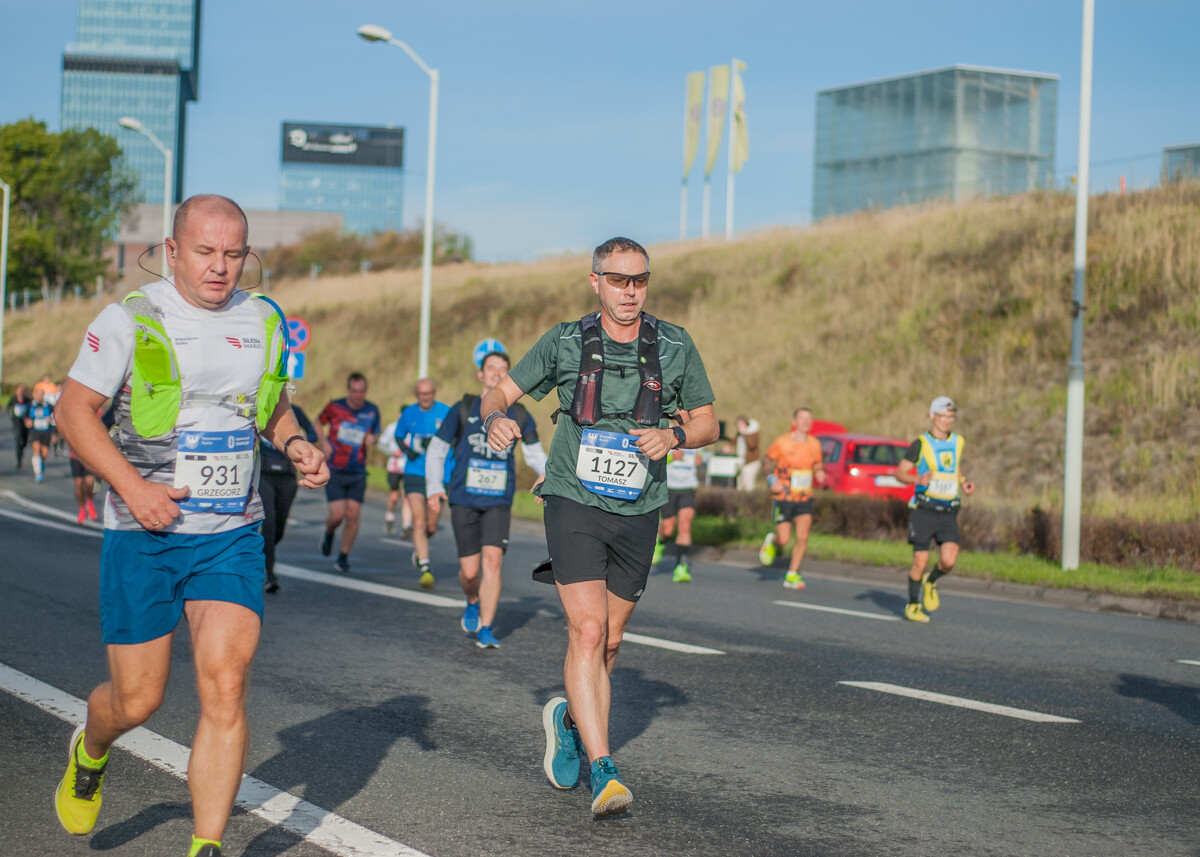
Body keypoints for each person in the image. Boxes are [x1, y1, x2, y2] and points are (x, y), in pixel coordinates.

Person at [52, 194, 328, 857]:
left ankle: (206, 845)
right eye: (205, 252)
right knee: (137, 699)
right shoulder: (130, 319)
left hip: (231, 530)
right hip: (143, 531)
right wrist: (132, 487)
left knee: (226, 682)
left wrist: (293, 443)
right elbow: (74, 412)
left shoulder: (263, 319)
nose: (220, 267)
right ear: (172, 250)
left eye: (234, 254)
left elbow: (274, 406)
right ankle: (90, 748)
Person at [480, 236, 717, 819]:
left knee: (609, 641)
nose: (629, 291)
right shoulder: (565, 341)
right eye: (617, 280)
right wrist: (496, 421)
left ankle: (567, 716)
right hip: (573, 498)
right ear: (595, 281)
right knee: (586, 633)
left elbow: (710, 421)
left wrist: (675, 436)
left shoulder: (675, 345)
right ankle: (604, 769)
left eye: (639, 280)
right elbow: (498, 395)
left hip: (640, 506)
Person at [425, 347, 547, 648]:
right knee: (469, 572)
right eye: (491, 368)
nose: (497, 373)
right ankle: (472, 598)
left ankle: (486, 628)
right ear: (481, 374)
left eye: (503, 369)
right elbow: (438, 449)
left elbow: (534, 453)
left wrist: (548, 475)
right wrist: (433, 487)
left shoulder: (519, 413)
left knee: (492, 562)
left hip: (498, 500)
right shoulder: (463, 408)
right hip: (463, 498)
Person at [894, 396, 976, 623]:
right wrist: (917, 478)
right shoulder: (920, 443)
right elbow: (899, 473)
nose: (947, 421)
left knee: (949, 561)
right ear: (932, 416)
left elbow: (953, 465)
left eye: (951, 417)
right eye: (942, 416)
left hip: (948, 510)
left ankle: (930, 580)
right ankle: (912, 605)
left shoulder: (958, 441)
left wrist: (963, 482)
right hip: (924, 510)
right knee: (920, 560)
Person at [317, 373, 381, 574]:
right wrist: (324, 443)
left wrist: (373, 439)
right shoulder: (335, 406)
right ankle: (329, 532)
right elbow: (317, 422)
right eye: (354, 391)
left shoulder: (372, 410)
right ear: (348, 390)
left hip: (357, 470)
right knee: (337, 516)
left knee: (353, 515)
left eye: (361, 392)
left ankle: (343, 556)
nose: (357, 396)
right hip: (335, 468)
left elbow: (376, 434)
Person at [758, 407, 827, 589]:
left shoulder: (814, 444)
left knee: (803, 537)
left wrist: (819, 473)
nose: (806, 422)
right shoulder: (782, 442)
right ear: (794, 422)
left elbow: (818, 464)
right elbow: (766, 461)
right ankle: (773, 541)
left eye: (809, 419)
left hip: (805, 497)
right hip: (783, 497)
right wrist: (772, 479)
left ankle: (792, 573)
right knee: (784, 540)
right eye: (802, 418)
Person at [393, 378, 450, 589]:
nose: (425, 398)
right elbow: (399, 436)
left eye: (428, 393)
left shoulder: (446, 412)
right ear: (416, 394)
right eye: (421, 394)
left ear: (434, 392)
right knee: (418, 520)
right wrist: (409, 451)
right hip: (414, 472)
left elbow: (455, 437)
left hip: (438, 475)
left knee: (431, 525)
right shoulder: (409, 413)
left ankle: (420, 546)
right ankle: (425, 567)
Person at [259, 401, 318, 593]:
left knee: (278, 530)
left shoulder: (295, 413)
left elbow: (314, 434)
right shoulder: (261, 407)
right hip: (264, 475)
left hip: (287, 476)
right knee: (268, 525)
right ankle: (270, 574)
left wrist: (302, 448)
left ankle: (264, 554)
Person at [652, 444, 703, 582]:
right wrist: (671, 457)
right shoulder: (668, 432)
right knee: (668, 529)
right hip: (669, 487)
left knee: (685, 525)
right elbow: (654, 459)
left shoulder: (695, 434)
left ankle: (681, 566)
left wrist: (699, 460)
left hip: (688, 488)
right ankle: (660, 539)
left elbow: (699, 459)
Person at [378, 404, 414, 539]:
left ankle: (406, 525)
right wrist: (393, 452)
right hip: (394, 466)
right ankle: (390, 515)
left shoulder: (413, 428)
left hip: (408, 467)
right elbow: (381, 444)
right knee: (394, 495)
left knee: (407, 496)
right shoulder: (392, 427)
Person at [25, 385, 55, 483]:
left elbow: (55, 416)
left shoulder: (48, 405)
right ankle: (38, 473)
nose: (39, 396)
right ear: (35, 395)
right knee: (36, 450)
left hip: (46, 431)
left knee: (45, 453)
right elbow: (25, 416)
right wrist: (28, 421)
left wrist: (51, 420)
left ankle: (41, 465)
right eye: (38, 394)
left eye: (41, 394)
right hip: (35, 431)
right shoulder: (31, 405)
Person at [7, 383, 32, 470]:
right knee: (18, 441)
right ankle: (19, 461)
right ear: (16, 391)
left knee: (24, 442)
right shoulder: (13, 400)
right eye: (19, 390)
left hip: (25, 425)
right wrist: (11, 416)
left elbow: (31, 411)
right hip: (17, 424)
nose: (21, 392)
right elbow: (8, 408)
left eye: (23, 390)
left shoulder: (28, 400)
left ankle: (22, 449)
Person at [735, 415, 762, 491]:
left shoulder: (752, 433)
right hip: (742, 461)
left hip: (751, 462)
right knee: (740, 484)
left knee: (749, 485)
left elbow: (752, 445)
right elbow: (734, 440)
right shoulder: (739, 434)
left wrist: (745, 433)